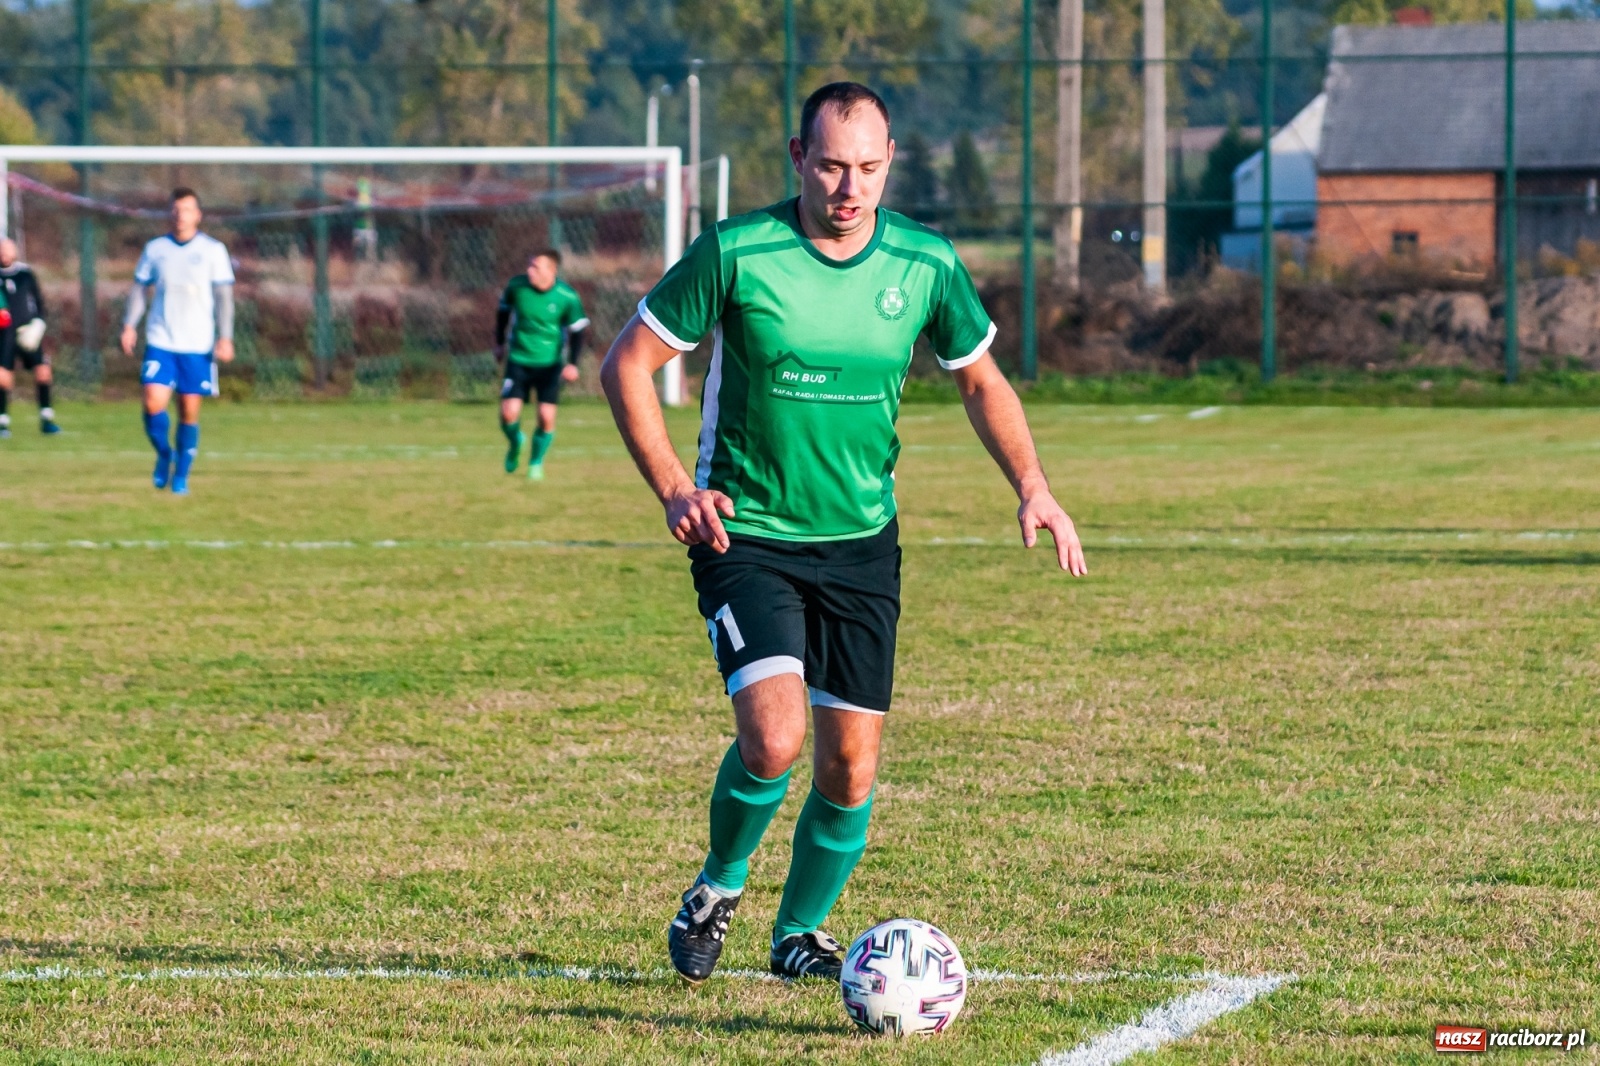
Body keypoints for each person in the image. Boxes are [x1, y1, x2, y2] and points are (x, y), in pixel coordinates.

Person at [601, 82, 1089, 984]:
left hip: (862, 541)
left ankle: (802, 933)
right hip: (745, 533)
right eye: (830, 165)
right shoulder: (738, 253)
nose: (848, 187)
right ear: (797, 157)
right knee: (774, 740)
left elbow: (981, 381)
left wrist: (1035, 487)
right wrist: (675, 487)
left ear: (891, 161)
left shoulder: (926, 263)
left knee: (851, 767)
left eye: (867, 167)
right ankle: (718, 885)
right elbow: (628, 363)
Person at [120, 187, 235, 495]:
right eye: (175, 210)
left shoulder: (213, 250)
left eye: (186, 210)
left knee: (188, 409)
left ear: (197, 215)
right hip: (161, 339)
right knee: (153, 401)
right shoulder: (156, 249)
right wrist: (130, 325)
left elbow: (224, 298)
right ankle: (164, 454)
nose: (180, 215)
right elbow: (139, 289)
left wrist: (226, 337)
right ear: (170, 214)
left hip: (197, 344)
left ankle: (181, 475)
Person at [493, 249, 590, 480]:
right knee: (508, 414)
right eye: (529, 265)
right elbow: (502, 314)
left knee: (546, 417)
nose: (529, 271)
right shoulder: (516, 287)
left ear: (551, 270)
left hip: (550, 364)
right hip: (518, 359)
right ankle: (516, 441)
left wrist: (573, 364)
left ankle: (536, 463)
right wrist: (498, 344)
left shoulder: (567, 296)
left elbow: (578, 331)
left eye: (535, 267)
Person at [0, 238, 58, 437]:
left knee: (43, 371)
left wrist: (39, 323)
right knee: (3, 377)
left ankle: (47, 419)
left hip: (28, 331)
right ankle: (3, 422)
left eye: (8, 250)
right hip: (4, 334)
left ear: (15, 252)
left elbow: (39, 301)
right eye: (1, 250)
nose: (4, 254)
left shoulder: (25, 274)